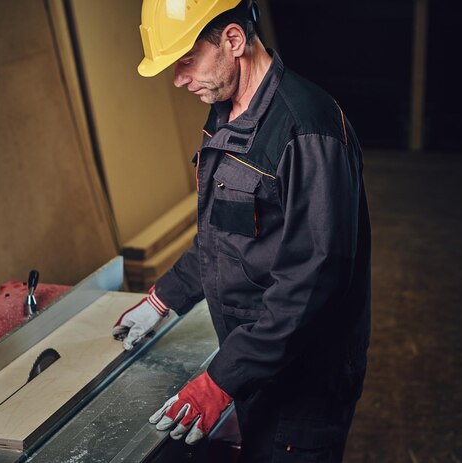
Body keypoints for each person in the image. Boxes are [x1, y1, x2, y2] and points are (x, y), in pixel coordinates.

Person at [112, 1, 371, 461]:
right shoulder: (229, 112)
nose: (178, 79)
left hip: (301, 385)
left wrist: (220, 380)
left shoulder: (307, 130)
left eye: (186, 61)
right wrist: (163, 299)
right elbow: (223, 236)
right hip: (253, 364)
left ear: (233, 41)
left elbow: (313, 283)